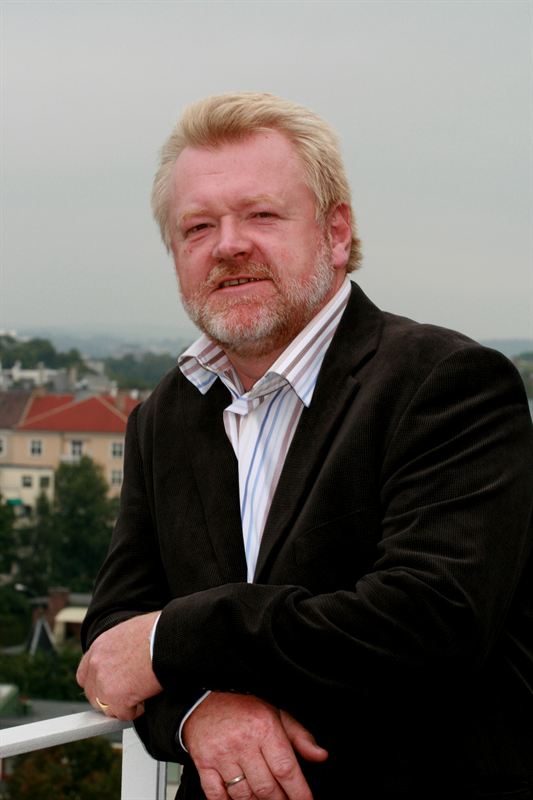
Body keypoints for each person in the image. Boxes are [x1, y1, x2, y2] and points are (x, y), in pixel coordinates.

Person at [77, 92, 533, 800]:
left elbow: (430, 623)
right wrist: (196, 712)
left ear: (336, 233)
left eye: (261, 215)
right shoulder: (165, 414)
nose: (228, 245)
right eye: (198, 226)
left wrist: (175, 640)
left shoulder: (446, 382)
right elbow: (114, 637)